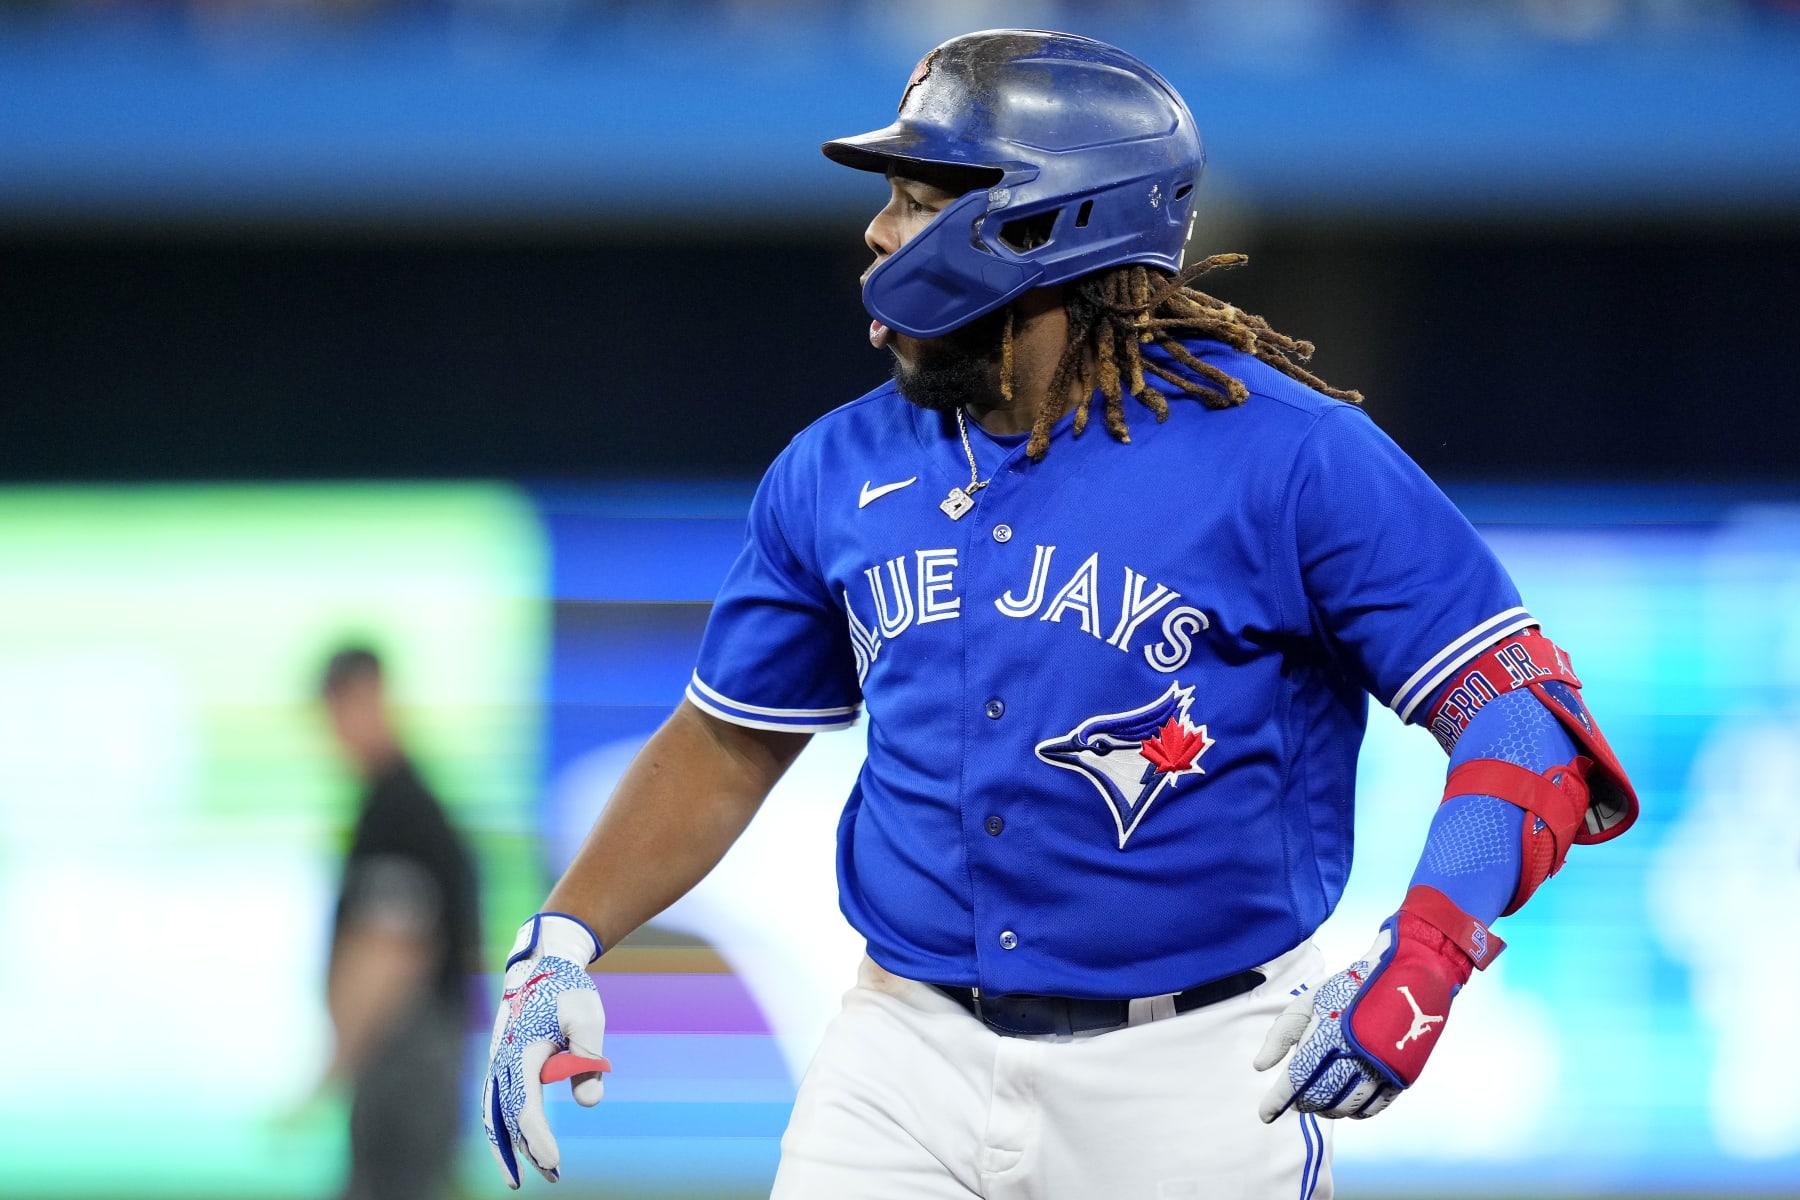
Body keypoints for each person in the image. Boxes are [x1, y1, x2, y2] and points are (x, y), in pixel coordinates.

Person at [480, 29, 1638, 1199]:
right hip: (903, 1053)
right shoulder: (835, 468)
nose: (879, 231)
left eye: (920, 197)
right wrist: (562, 940)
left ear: (1045, 224)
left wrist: (1427, 953)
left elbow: (1525, 726)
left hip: (1192, 1072)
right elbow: (730, 739)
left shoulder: (1290, 457)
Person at [320, 646, 481, 1200]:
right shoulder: (402, 804)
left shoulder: (399, 812)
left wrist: (334, 1064)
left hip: (405, 1058)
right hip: (412, 1058)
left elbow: (391, 949)